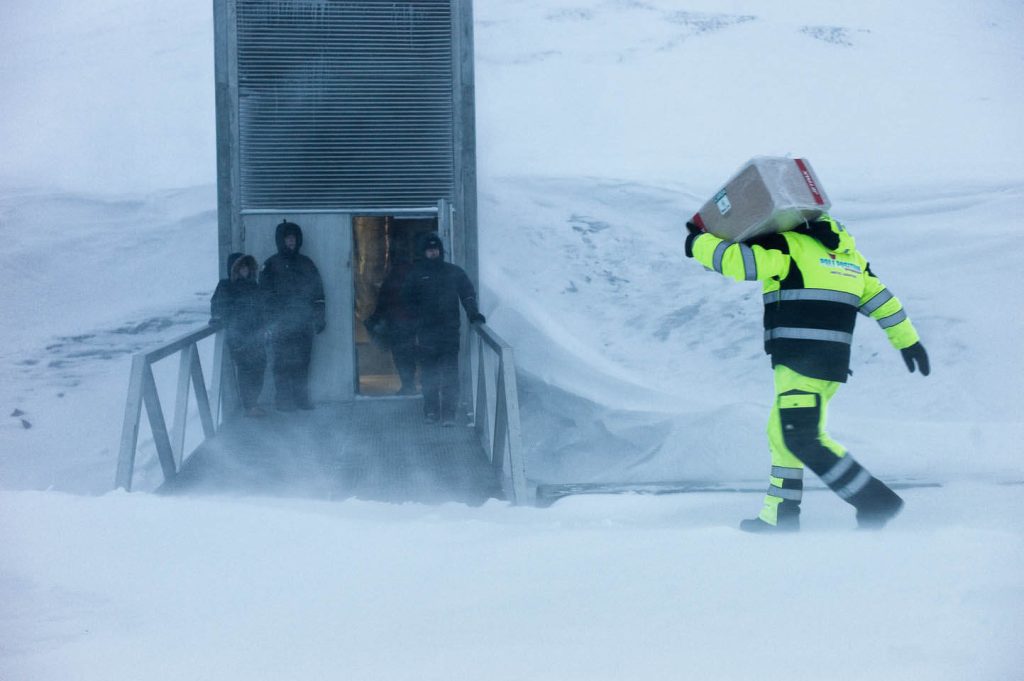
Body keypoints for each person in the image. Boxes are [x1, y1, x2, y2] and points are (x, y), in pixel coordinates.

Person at [683, 214, 930, 532]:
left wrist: (698, 242)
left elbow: (741, 263)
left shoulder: (790, 245)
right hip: (829, 364)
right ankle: (780, 516)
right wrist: (908, 341)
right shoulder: (851, 259)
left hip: (801, 360)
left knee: (801, 437)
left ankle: (873, 499)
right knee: (782, 433)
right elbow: (884, 302)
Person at [401, 232, 485, 425]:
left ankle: (448, 413)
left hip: (449, 333)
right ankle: (430, 410)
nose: (433, 252)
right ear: (424, 252)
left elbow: (467, 294)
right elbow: (406, 300)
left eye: (436, 249)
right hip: (426, 334)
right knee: (429, 374)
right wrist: (414, 322)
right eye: (430, 250)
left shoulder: (453, 272)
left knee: (449, 374)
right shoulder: (416, 274)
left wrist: (473, 314)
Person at [260, 220, 326, 411]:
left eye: (294, 238)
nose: (291, 242)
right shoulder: (270, 265)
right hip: (281, 325)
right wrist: (269, 322)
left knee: (303, 362)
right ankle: (283, 400)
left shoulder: (307, 264)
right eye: (287, 238)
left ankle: (301, 399)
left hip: (304, 324)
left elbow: (318, 293)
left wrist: (319, 317)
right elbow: (264, 297)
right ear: (280, 240)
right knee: (281, 363)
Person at [211, 253, 268, 417]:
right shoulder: (225, 286)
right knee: (246, 370)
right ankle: (249, 406)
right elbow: (217, 306)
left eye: (247, 266)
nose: (245, 270)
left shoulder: (254, 286)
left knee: (259, 369)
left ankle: (253, 403)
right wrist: (218, 318)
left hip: (256, 336)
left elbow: (262, 310)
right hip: (238, 337)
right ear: (233, 269)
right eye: (241, 266)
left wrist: (265, 327)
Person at [366, 248, 418, 395]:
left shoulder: (392, 277)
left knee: (401, 355)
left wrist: (375, 318)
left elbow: (383, 301)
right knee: (410, 354)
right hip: (412, 322)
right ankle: (412, 384)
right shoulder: (414, 274)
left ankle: (407, 385)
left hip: (396, 322)